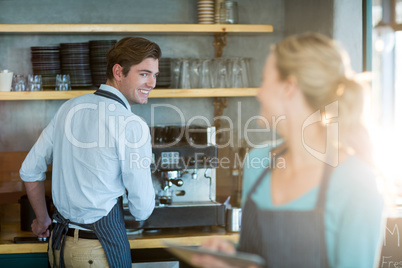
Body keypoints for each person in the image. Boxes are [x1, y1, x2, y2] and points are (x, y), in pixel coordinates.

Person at [191, 33, 385, 268]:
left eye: (264, 81)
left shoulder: (355, 181)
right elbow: (257, 257)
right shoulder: (258, 162)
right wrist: (230, 256)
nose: (258, 93)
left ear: (289, 87)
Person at [20, 36, 161, 268]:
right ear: (118, 72)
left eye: (155, 75)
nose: (152, 83)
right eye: (144, 74)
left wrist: (43, 220)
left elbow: (29, 170)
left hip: (59, 247)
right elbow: (142, 209)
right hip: (96, 252)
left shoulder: (69, 108)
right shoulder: (131, 124)